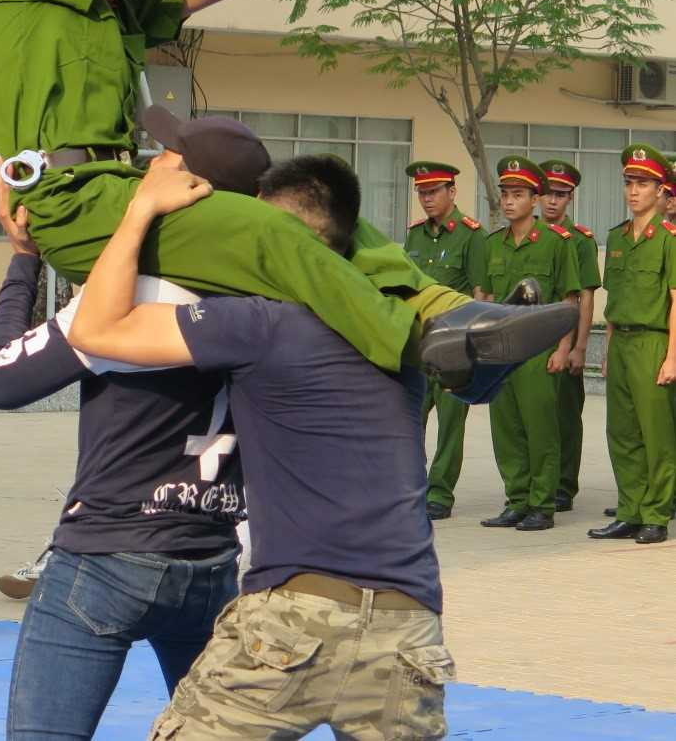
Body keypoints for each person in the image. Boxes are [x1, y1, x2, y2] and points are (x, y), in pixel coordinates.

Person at [0, 0, 564, 396]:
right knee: (267, 228)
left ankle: (454, 318)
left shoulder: (112, 1)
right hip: (72, 200)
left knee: (312, 209)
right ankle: (424, 344)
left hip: (118, 187)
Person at [68, 152, 456, 741]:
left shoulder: (260, 323)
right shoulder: (398, 339)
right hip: (410, 627)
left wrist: (142, 208)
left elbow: (94, 330)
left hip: (296, 618)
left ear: (269, 239)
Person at [0, 136, 250, 739]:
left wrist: (24, 258)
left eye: (165, 161)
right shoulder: (267, 301)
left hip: (109, 557)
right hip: (212, 560)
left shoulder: (136, 297)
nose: (148, 167)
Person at [474, 158, 580, 532]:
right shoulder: (492, 245)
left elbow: (569, 300)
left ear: (535, 200)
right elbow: (483, 295)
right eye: (505, 194)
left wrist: (563, 349)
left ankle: (541, 504)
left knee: (540, 430)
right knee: (507, 431)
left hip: (539, 350)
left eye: (517, 195)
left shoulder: (556, 243)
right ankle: (516, 500)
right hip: (502, 351)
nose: (508, 202)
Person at [589, 145, 676, 545]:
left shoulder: (669, 238)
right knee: (620, 431)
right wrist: (607, 352)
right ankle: (630, 511)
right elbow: (613, 304)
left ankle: (656, 514)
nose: (633, 191)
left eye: (643, 184)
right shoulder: (616, 238)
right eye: (629, 183)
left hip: (652, 343)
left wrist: (672, 356)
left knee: (655, 434)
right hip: (621, 344)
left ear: (661, 192)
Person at [403, 161, 486, 520]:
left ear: (452, 192)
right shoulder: (415, 235)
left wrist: (477, 348)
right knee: (409, 419)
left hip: (455, 346)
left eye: (434, 191)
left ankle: (440, 493)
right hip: (420, 345)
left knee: (451, 425)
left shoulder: (472, 235)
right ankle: (410, 488)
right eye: (421, 192)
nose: (427, 199)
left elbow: (481, 295)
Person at [539, 159, 601, 513]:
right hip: (532, 337)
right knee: (534, 417)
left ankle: (563, 486)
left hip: (564, 338)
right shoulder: (526, 235)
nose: (552, 201)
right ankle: (536, 483)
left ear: (571, 198)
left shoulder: (579, 241)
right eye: (547, 193)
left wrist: (579, 347)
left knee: (564, 416)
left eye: (560, 195)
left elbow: (586, 295)